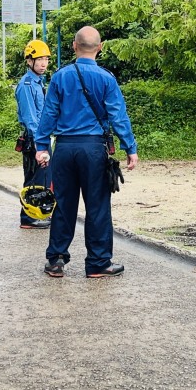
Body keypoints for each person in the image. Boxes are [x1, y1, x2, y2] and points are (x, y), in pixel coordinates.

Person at [34, 26, 139, 278]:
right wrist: (130, 147)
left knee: (64, 204)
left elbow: (49, 114)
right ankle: (98, 263)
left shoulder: (60, 76)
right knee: (98, 206)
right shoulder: (106, 78)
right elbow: (118, 116)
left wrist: (41, 146)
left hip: (64, 148)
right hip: (93, 149)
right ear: (100, 47)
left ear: (73, 46)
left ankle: (56, 260)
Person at [14, 39, 53, 229]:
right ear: (29, 61)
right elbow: (30, 117)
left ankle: (39, 213)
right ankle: (28, 218)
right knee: (33, 179)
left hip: (42, 137)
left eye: (45, 59)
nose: (43, 63)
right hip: (35, 139)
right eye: (39, 59)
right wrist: (40, 144)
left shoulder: (38, 82)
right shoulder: (27, 85)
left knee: (44, 178)